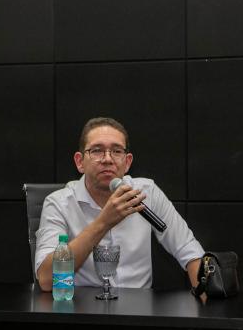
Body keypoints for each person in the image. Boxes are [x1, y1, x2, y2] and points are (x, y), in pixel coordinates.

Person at [35, 117, 204, 291]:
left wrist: (206, 299)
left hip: (139, 305)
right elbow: (46, 280)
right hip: (83, 305)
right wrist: (103, 222)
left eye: (116, 151)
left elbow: (190, 251)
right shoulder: (58, 203)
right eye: (97, 151)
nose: (108, 159)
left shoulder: (147, 193)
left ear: (127, 162)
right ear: (80, 162)